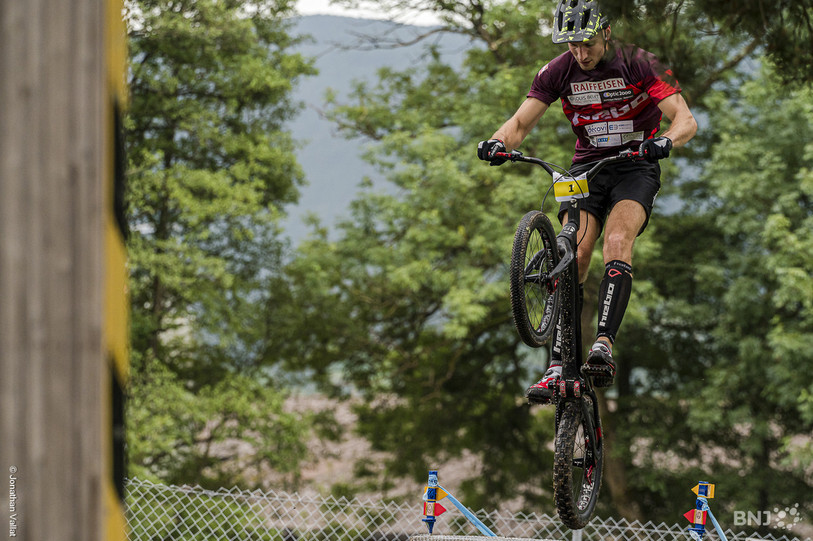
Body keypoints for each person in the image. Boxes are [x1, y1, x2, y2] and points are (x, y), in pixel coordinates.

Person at [477, 0, 697, 403]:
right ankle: (558, 362)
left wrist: (665, 141)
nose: (580, 53)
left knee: (617, 241)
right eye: (572, 44)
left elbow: (685, 119)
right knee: (574, 254)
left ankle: (603, 345)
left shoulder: (640, 63)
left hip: (636, 165)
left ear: (607, 33)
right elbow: (520, 123)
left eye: (588, 43)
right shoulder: (557, 71)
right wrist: (497, 142)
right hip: (586, 168)